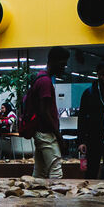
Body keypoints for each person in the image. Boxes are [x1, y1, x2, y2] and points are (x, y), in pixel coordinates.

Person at [23, 46, 70, 179]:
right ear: (53, 61)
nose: (64, 68)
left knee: (40, 173)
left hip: (39, 132)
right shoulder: (45, 82)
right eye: (62, 64)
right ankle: (55, 199)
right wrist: (58, 136)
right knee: (56, 171)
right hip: (46, 133)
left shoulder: (39, 78)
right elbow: (44, 112)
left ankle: (35, 199)